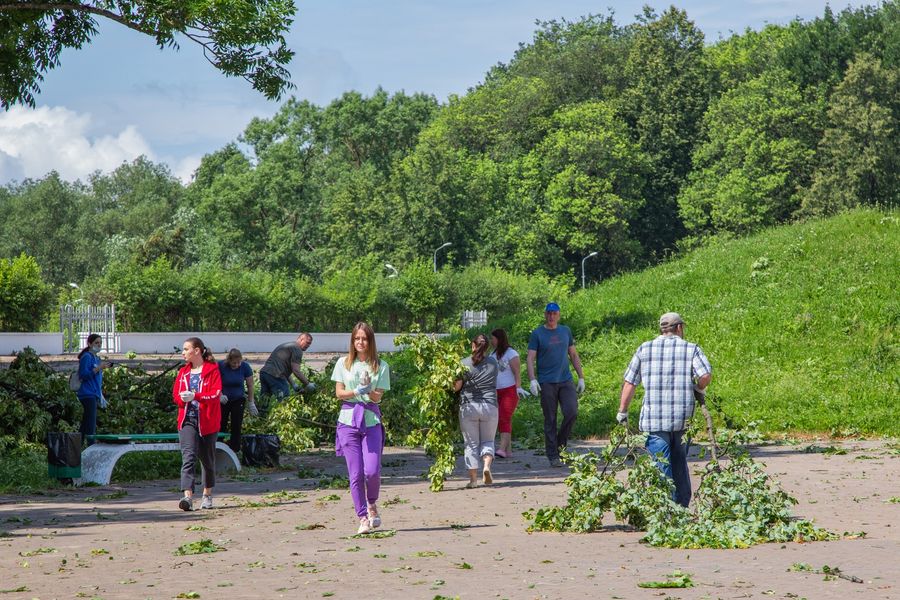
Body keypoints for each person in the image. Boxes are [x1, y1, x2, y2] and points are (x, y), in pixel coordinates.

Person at [617, 312, 712, 508]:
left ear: (662, 329)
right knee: (679, 462)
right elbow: (705, 375)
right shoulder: (691, 349)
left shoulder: (644, 349)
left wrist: (622, 411)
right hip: (682, 419)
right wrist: (698, 388)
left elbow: (630, 382)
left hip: (654, 420)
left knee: (660, 464)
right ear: (679, 328)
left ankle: (664, 509)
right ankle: (681, 506)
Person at [330, 322, 391, 534]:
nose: (360, 342)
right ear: (352, 341)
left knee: (372, 471)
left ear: (370, 341)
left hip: (371, 420)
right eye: (357, 338)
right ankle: (363, 517)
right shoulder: (343, 363)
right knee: (355, 474)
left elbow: (377, 397)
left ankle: (372, 503)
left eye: (364, 338)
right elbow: (339, 393)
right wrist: (356, 390)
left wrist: (369, 389)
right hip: (348, 421)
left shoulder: (381, 366)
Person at [526, 302, 586, 467]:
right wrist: (532, 379)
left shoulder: (565, 331)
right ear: (545, 315)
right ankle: (553, 455)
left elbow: (573, 355)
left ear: (559, 315)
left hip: (565, 380)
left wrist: (581, 377)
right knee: (550, 418)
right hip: (547, 382)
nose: (551, 316)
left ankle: (560, 445)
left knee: (571, 412)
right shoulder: (538, 334)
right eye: (549, 313)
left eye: (554, 313)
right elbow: (530, 358)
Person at [172, 337, 223, 511]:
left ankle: (207, 495)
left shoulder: (212, 370)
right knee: (188, 457)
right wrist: (183, 399)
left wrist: (196, 396)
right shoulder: (183, 372)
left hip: (208, 421)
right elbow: (176, 395)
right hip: (187, 420)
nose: (183, 353)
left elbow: (215, 394)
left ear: (197, 351)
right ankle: (187, 497)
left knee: (207, 460)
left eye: (186, 349)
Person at [454, 333, 500, 488]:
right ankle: (486, 466)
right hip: (489, 406)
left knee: (471, 444)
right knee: (488, 441)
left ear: (473, 345)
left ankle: (473, 480)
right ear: (486, 347)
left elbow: (456, 387)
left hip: (469, 407)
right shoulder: (493, 363)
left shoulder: (463, 363)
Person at [489, 328, 529, 458]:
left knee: (504, 417)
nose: (491, 341)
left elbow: (517, 372)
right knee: (501, 419)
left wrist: (518, 387)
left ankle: (501, 449)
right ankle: (508, 450)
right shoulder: (492, 354)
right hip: (497, 391)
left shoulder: (511, 353)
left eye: (493, 338)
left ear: (499, 339)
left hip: (509, 390)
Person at [217, 348, 256, 454]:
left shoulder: (245, 367)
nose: (237, 365)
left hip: (238, 400)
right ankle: (218, 447)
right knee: (221, 423)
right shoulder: (221, 366)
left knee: (236, 425)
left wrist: (251, 402)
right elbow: (215, 381)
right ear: (229, 360)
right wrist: (219, 394)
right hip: (223, 400)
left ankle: (235, 449)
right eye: (234, 363)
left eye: (239, 362)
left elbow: (250, 385)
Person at [76, 333, 112, 444]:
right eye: (96, 343)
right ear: (89, 343)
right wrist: (98, 368)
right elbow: (83, 375)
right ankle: (91, 446)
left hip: (94, 393)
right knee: (90, 424)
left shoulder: (96, 358)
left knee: (86, 423)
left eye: (100, 343)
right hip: (87, 394)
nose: (99, 345)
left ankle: (76, 445)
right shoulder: (86, 357)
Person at [259, 333, 315, 400]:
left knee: (264, 400)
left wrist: (294, 385)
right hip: (276, 376)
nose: (308, 345)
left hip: (265, 373)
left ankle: (259, 407)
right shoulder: (297, 349)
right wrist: (308, 384)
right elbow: (296, 370)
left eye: (310, 344)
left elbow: (284, 369)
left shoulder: (289, 346)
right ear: (301, 339)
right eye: (307, 343)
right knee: (285, 401)